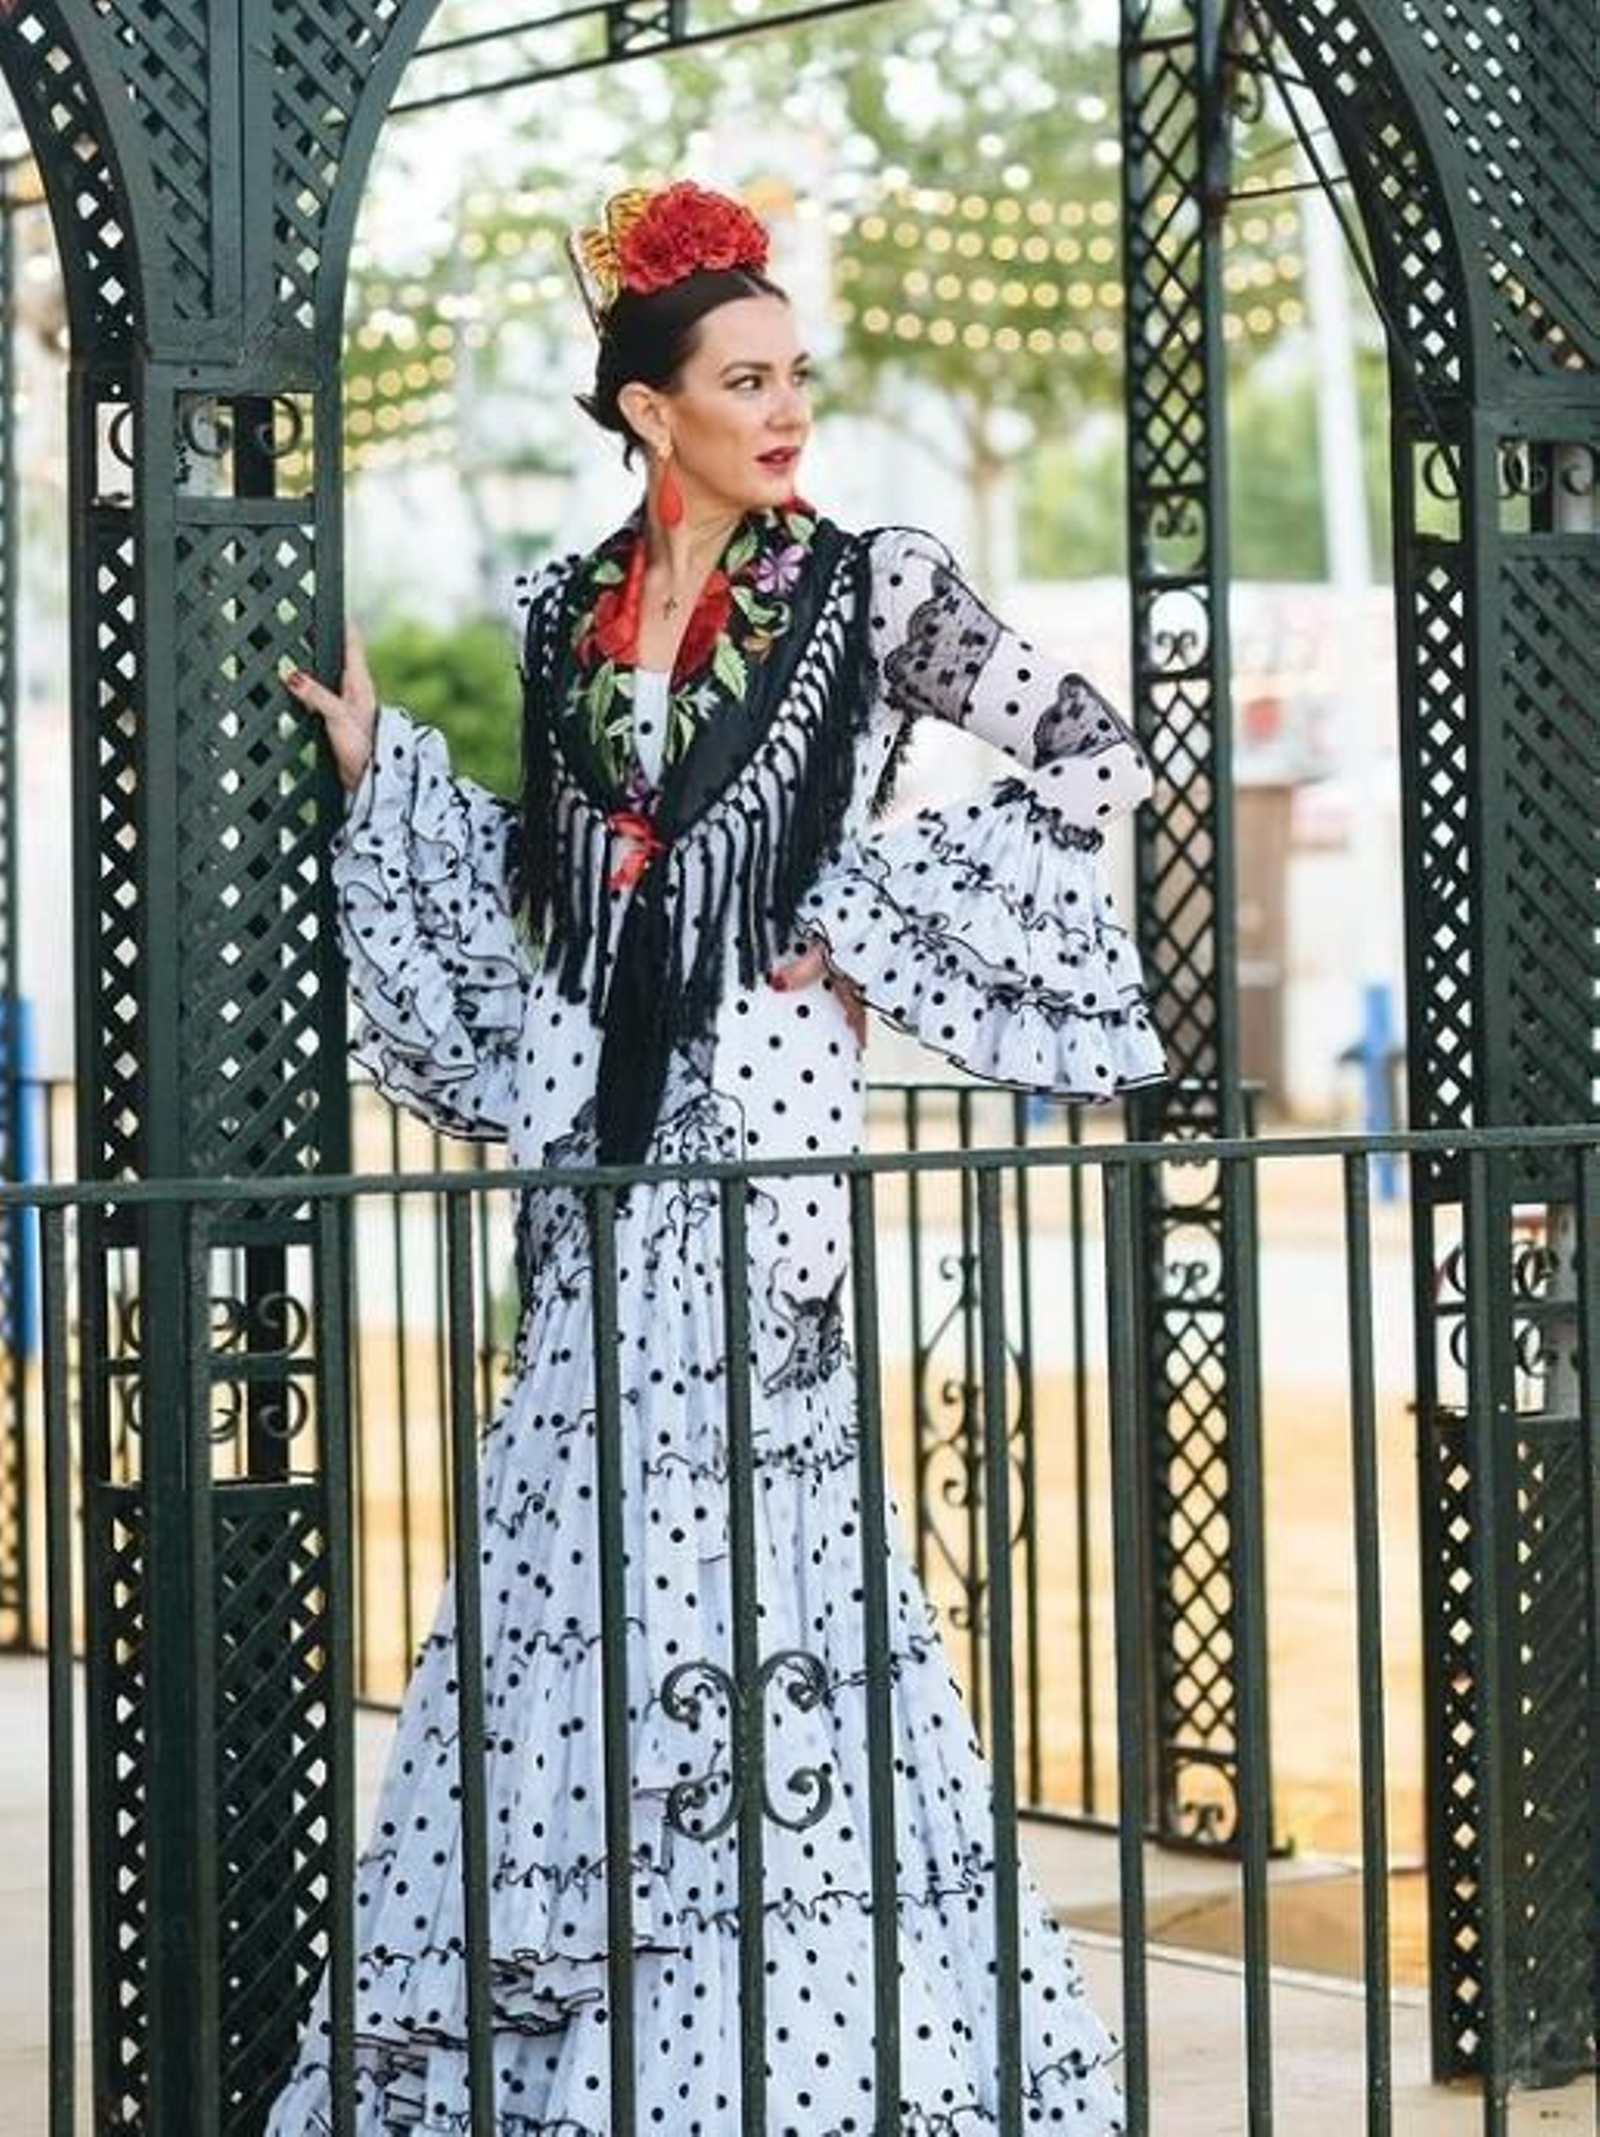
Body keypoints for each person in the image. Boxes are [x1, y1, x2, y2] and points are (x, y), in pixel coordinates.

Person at [269, 179, 1164, 2134]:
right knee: (574, 1568)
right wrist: (385, 769)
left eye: (795, 376)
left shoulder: (872, 584)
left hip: (766, 1173)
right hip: (590, 1170)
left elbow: (1096, 754)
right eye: (744, 380)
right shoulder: (553, 615)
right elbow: (557, 886)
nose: (786, 412)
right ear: (644, 407)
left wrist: (865, 911)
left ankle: (782, 2073)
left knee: (765, 1593)